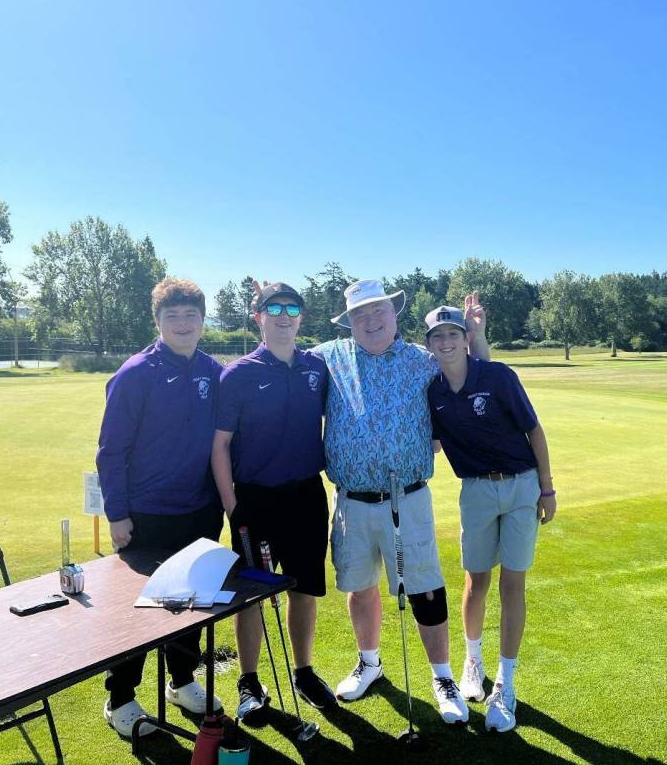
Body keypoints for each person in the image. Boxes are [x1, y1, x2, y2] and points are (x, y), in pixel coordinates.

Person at [313, 278, 488, 725]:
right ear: (349, 321)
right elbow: (276, 364)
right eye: (360, 314)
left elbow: (477, 382)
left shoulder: (422, 361)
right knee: (359, 584)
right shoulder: (329, 357)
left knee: (425, 587)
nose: (370, 321)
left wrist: (477, 335)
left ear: (394, 315)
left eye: (378, 311)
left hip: (407, 497)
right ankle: (369, 663)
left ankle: (443, 677)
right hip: (351, 499)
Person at [95, 277, 224, 737]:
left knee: (191, 603)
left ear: (203, 321)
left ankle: (182, 681)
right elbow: (110, 451)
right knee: (139, 612)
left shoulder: (213, 371)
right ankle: (121, 698)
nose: (184, 323)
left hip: (200, 511)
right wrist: (117, 514)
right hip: (146, 514)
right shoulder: (135, 373)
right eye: (174, 316)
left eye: (192, 315)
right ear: (158, 321)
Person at [423, 306, 557, 733]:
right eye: (437, 337)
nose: (445, 343)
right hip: (476, 492)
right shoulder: (433, 391)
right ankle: (472, 662)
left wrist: (548, 488)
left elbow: (534, 430)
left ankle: (505, 682)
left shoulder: (498, 377)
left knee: (512, 582)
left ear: (465, 338)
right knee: (475, 581)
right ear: (429, 345)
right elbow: (433, 444)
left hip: (521, 487)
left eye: (453, 334)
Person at [211, 282, 337, 722]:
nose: (284, 315)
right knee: (250, 596)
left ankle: (303, 672)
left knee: (305, 589)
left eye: (293, 308)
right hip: (254, 502)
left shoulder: (317, 367)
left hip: (306, 495)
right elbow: (220, 446)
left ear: (301, 317)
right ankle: (249, 681)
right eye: (274, 308)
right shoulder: (238, 373)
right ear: (258, 316)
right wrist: (233, 507)